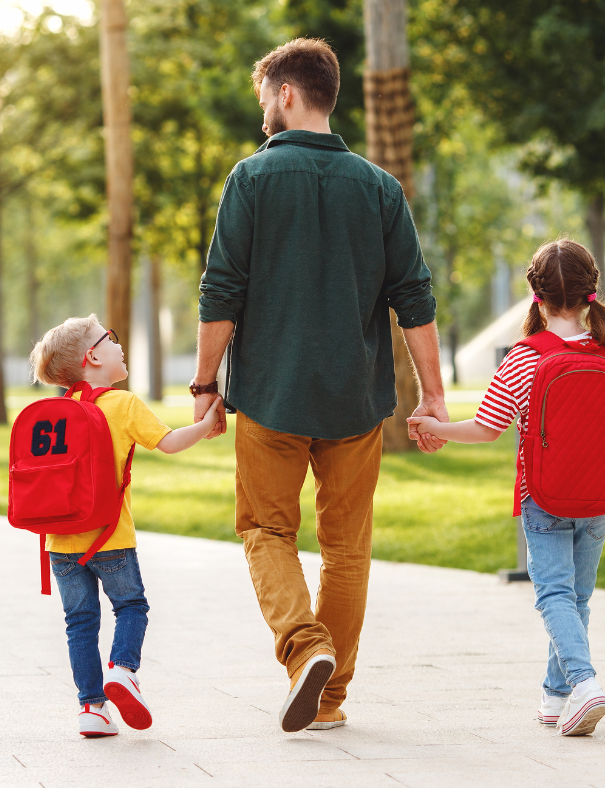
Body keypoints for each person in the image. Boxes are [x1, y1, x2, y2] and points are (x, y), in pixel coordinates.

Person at [191, 38, 448, 733]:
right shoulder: (379, 186)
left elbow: (222, 291)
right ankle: (329, 699)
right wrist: (434, 395)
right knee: (346, 551)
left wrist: (204, 382)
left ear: (286, 94)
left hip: (271, 397)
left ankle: (306, 648)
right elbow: (414, 296)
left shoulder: (250, 178)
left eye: (264, 98)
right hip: (354, 401)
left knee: (265, 529)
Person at [409, 239, 605, 737]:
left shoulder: (525, 358)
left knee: (554, 593)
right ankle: (556, 697)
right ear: (591, 293)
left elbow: (486, 429)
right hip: (602, 498)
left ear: (535, 295)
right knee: (576, 596)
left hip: (546, 497)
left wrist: (432, 428)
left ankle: (583, 683)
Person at [30, 314, 222, 738]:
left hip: (59, 544)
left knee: (79, 623)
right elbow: (170, 442)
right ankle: (123, 669)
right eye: (111, 338)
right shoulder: (123, 404)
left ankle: (91, 708)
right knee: (131, 607)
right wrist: (209, 422)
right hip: (109, 536)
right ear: (93, 356)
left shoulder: (54, 412)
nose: (119, 344)